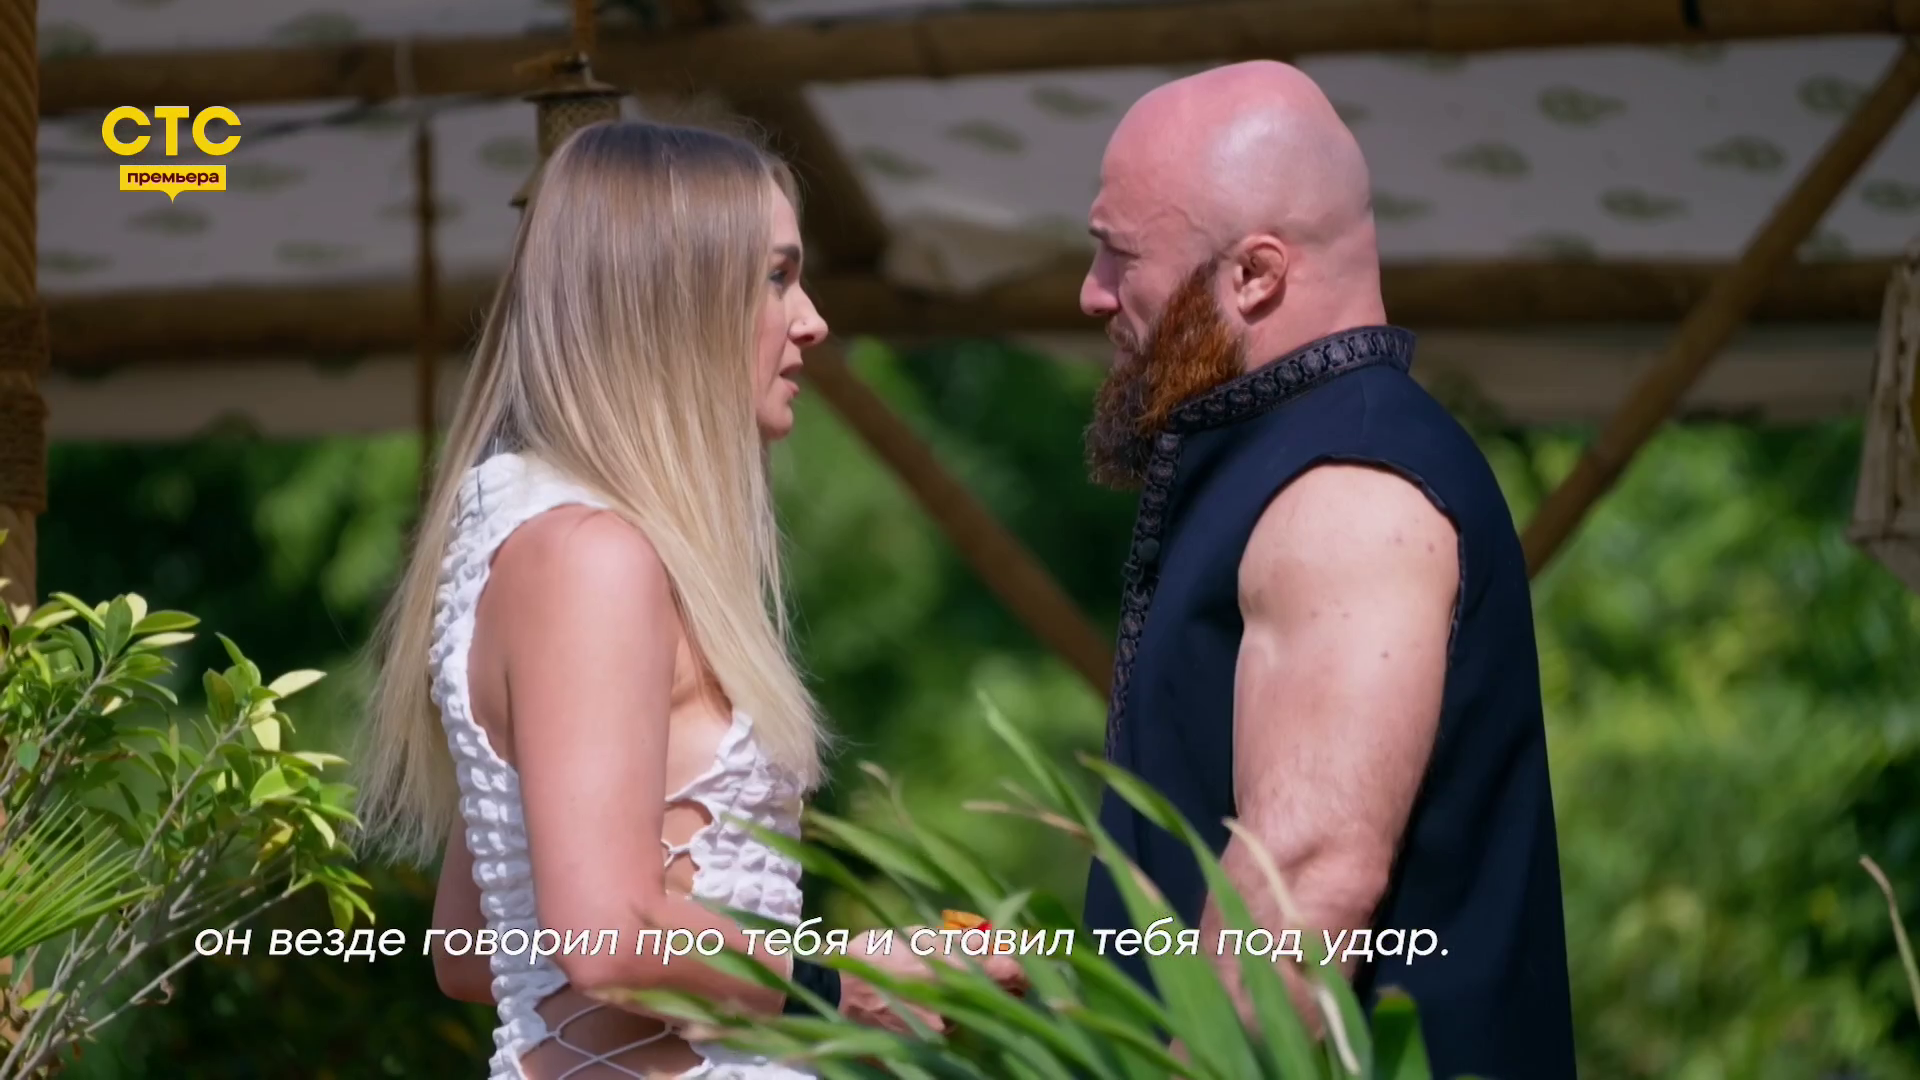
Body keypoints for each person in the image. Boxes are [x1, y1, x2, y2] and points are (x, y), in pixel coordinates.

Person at [355, 120, 1016, 1080]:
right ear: (673, 300)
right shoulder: (592, 559)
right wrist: (842, 986)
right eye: (778, 277)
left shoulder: (540, 545)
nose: (813, 320)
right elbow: (612, 942)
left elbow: (471, 943)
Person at [1076, 61, 1577, 1078]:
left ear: (1255, 276)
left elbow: (1302, 899)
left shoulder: (1348, 488)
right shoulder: (1303, 458)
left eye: (1119, 256)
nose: (1091, 294)